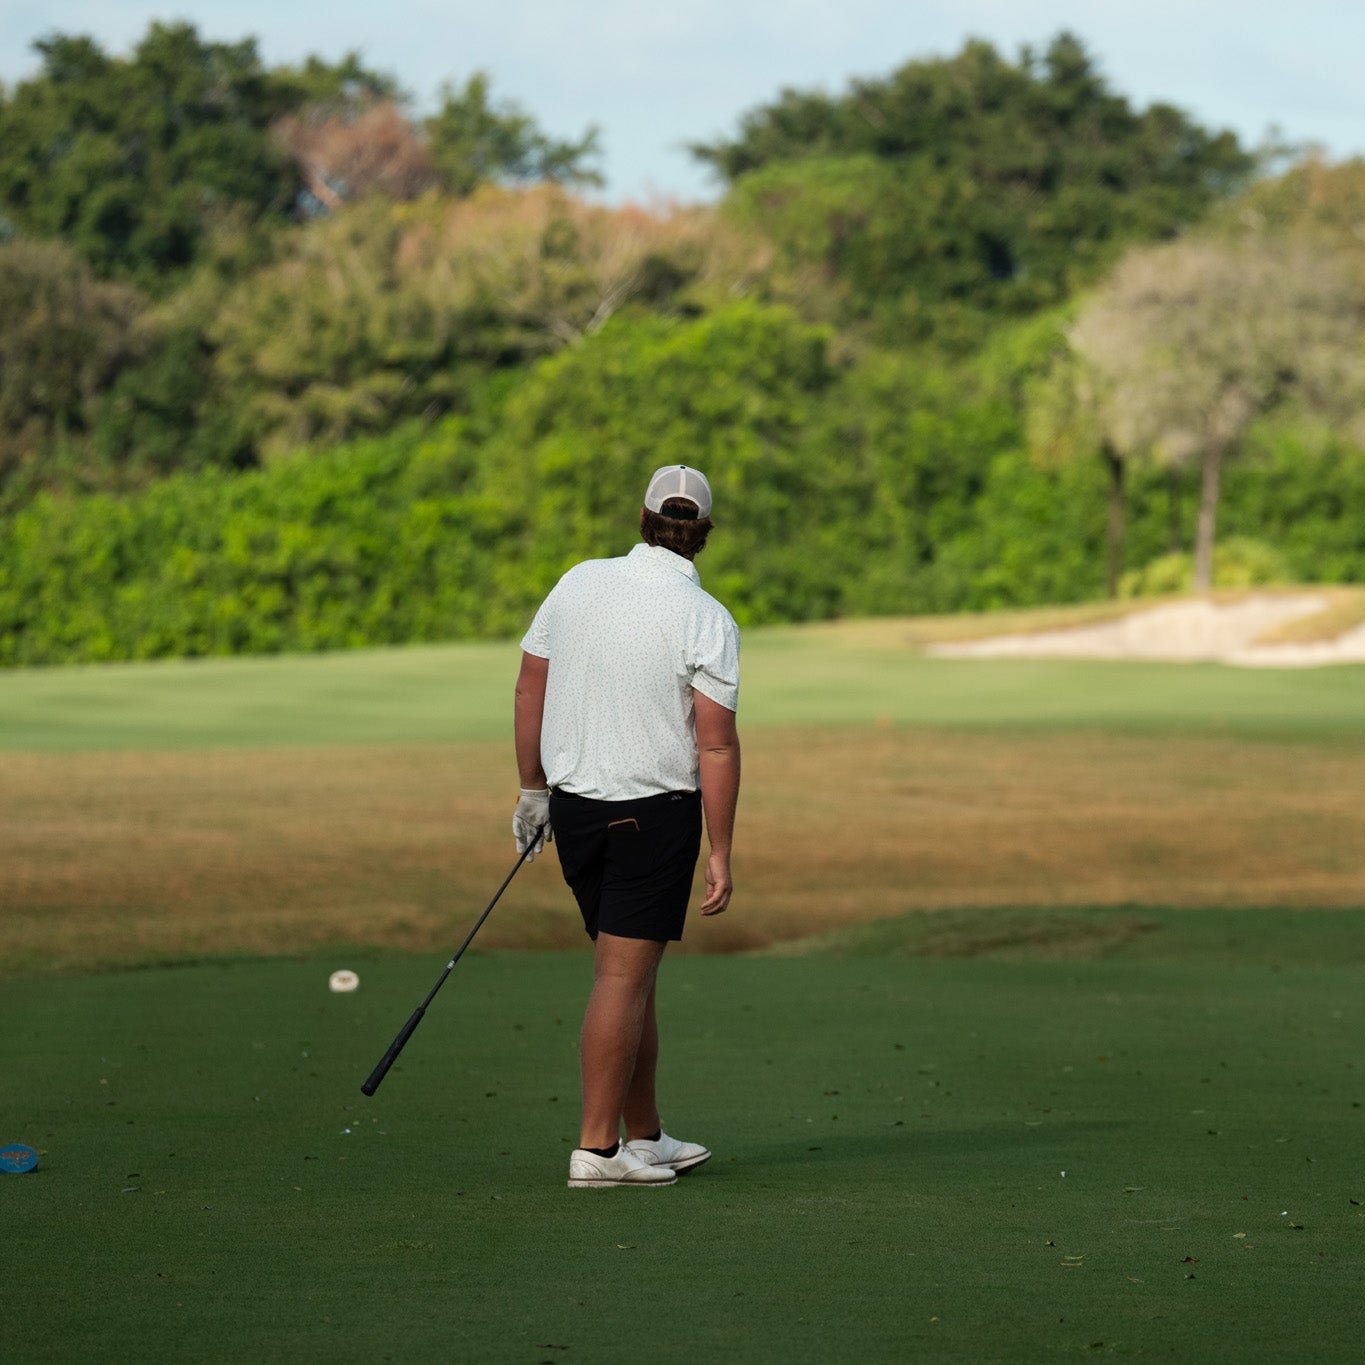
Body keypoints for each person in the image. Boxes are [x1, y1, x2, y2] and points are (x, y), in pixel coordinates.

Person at [512, 465, 741, 1189]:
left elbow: (529, 685)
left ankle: (642, 1134)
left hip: (576, 811)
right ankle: (597, 1150)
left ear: (641, 518)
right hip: (654, 816)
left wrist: (531, 789)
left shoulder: (579, 580)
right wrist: (722, 848)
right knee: (621, 976)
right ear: (700, 533)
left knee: (629, 976)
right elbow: (715, 744)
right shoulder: (706, 616)